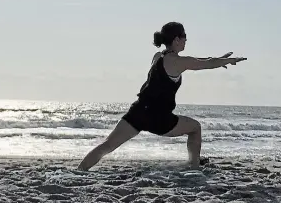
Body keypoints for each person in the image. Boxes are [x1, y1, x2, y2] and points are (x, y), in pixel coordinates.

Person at [78, 22, 247, 171]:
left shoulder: (158, 56)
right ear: (176, 39)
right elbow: (206, 63)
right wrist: (226, 61)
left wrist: (219, 60)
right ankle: (194, 166)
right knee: (195, 128)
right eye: (184, 37)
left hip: (139, 110)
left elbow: (203, 60)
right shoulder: (179, 62)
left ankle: (80, 170)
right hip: (159, 118)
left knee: (108, 145)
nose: (186, 40)